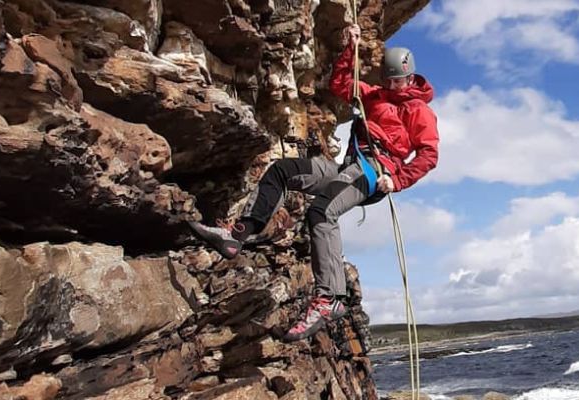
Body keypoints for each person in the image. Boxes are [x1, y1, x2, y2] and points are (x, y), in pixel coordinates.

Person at [188, 24, 439, 341]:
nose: (393, 84)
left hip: (374, 171)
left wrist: (397, 179)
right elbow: (340, 84)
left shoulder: (418, 110)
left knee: (321, 212)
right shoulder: (374, 95)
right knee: (283, 170)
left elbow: (429, 154)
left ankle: (330, 298)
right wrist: (351, 48)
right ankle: (238, 235)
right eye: (388, 79)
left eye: (398, 80)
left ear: (410, 76)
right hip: (347, 166)